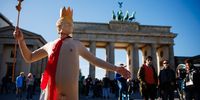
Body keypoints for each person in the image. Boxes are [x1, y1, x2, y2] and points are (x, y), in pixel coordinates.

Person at [13, 6, 131, 100]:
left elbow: (94, 60)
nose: (72, 26)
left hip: (70, 95)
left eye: (72, 24)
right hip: (51, 93)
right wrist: (21, 40)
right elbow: (30, 57)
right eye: (68, 23)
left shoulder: (76, 44)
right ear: (59, 27)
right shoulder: (50, 45)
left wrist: (116, 68)